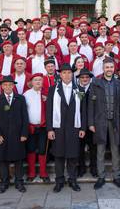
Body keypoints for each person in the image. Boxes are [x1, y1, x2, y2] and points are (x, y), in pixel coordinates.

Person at [46, 63, 86, 192]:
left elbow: (83, 110)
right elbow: (49, 110)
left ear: (72, 74)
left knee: (73, 156)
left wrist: (83, 128)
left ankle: (72, 180)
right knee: (58, 156)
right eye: (64, 73)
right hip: (58, 128)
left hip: (74, 127)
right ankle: (59, 181)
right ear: (60, 74)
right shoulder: (53, 89)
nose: (67, 75)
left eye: (69, 72)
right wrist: (50, 129)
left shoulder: (79, 89)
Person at [88, 58, 120, 190]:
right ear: (103, 68)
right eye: (107, 67)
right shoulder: (96, 83)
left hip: (115, 121)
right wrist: (91, 123)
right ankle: (101, 177)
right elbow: (90, 105)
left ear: (114, 68)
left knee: (115, 150)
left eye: (111, 67)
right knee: (100, 150)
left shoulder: (119, 84)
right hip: (100, 121)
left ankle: (117, 176)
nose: (109, 69)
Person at [0, 75, 29, 193]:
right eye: (5, 85)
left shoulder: (20, 98)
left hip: (18, 135)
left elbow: (25, 117)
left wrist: (24, 133)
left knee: (18, 160)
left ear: (13, 86)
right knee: (3, 160)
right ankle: (4, 182)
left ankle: (19, 182)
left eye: (10, 84)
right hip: (2, 135)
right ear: (2, 86)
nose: (7, 87)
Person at [24, 73, 50, 183]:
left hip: (43, 126)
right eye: (36, 80)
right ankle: (31, 173)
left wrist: (47, 100)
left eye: (40, 80)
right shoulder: (26, 94)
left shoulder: (47, 93)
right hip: (31, 127)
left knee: (42, 149)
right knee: (31, 149)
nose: (38, 82)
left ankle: (43, 173)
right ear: (31, 82)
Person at [76, 68, 97, 177]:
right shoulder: (77, 90)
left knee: (94, 148)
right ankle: (81, 168)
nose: (84, 79)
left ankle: (94, 168)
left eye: (87, 77)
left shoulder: (95, 89)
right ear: (79, 78)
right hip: (80, 124)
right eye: (82, 77)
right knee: (80, 148)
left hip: (93, 124)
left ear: (90, 78)